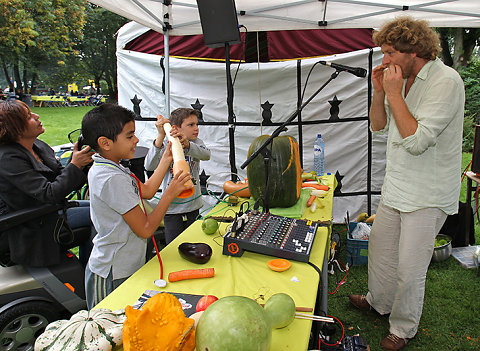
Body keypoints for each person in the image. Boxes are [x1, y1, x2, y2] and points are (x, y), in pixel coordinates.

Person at [348, 17, 465, 351]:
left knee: (410, 268)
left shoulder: (447, 81)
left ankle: (401, 328)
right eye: (382, 52)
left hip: (428, 192)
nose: (383, 60)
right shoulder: (396, 79)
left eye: (388, 53)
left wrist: (395, 93)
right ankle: (379, 302)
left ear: (414, 50)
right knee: (381, 253)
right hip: (397, 184)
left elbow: (416, 140)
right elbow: (378, 126)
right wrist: (380, 92)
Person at [81, 103, 192, 309]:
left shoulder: (115, 167)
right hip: (112, 273)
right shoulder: (111, 178)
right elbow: (146, 229)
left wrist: (168, 157)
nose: (136, 140)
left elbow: (147, 190)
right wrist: (170, 193)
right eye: (129, 136)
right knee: (110, 329)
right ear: (105, 143)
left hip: (126, 266)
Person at [0, 100, 95, 267]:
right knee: (100, 217)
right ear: (13, 127)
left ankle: (89, 268)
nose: (37, 116)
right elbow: (49, 193)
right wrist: (75, 165)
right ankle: (92, 274)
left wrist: (83, 164)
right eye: (29, 116)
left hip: (52, 211)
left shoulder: (38, 146)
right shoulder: (8, 159)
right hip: (33, 224)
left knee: (104, 208)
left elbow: (62, 179)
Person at [144, 108, 211, 244]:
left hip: (193, 206)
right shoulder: (164, 145)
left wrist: (188, 145)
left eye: (197, 124)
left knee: (194, 242)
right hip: (172, 209)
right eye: (191, 125)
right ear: (175, 128)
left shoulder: (196, 143)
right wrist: (160, 137)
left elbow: (206, 155)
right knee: (174, 245)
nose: (196, 128)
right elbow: (149, 165)